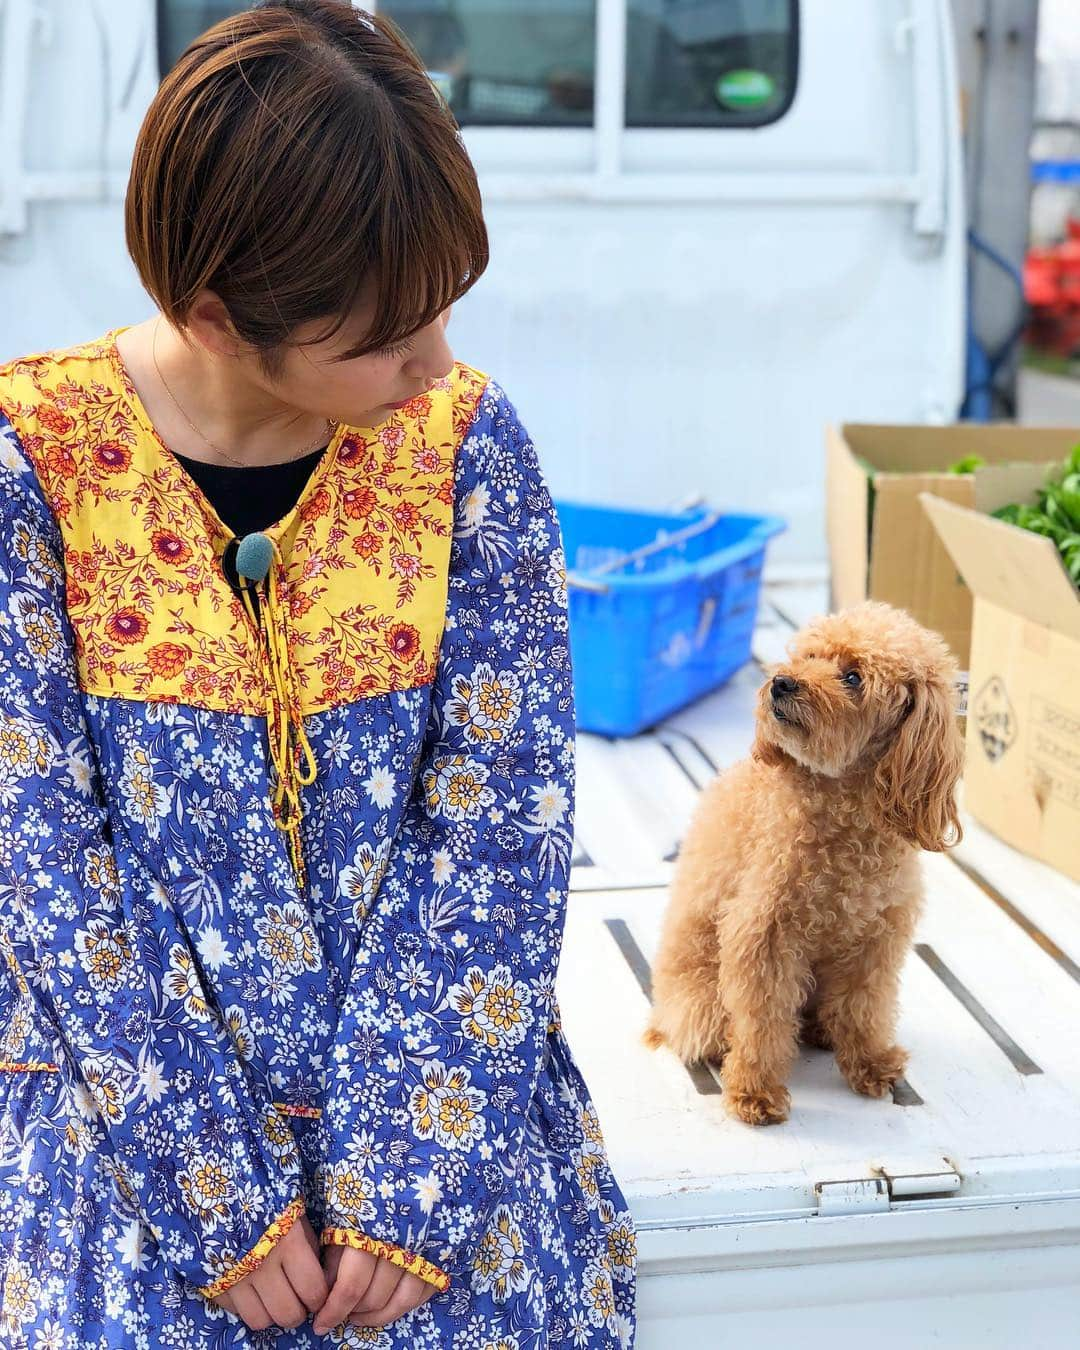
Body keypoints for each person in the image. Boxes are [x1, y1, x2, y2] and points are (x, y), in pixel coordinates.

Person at [0, 2, 637, 1346]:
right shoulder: (32, 468)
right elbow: (42, 849)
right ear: (220, 318)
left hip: (434, 1136)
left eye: (445, 306)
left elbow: (499, 819)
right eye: (387, 333)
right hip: (130, 1126)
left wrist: (411, 1177)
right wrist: (213, 1195)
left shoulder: (468, 447)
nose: (440, 360)